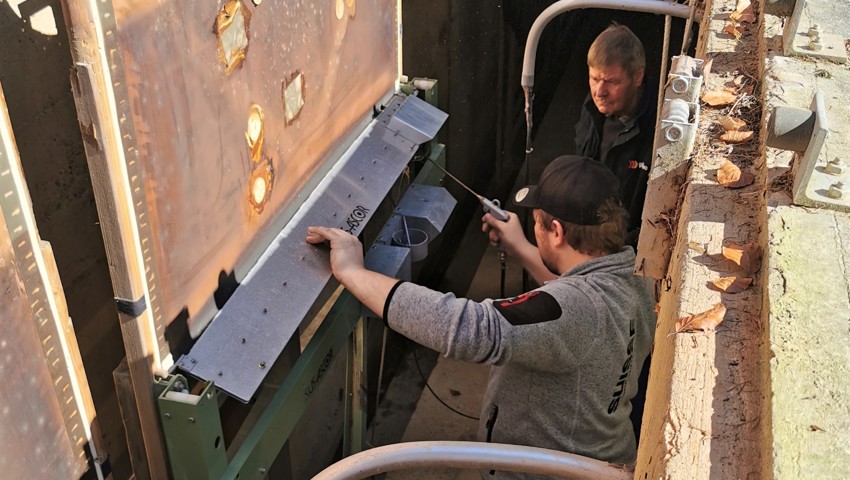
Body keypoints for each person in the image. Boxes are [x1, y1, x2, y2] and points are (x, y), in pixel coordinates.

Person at [307, 155, 656, 476]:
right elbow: (573, 294)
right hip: (605, 456)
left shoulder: (577, 313)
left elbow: (470, 329)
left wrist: (353, 271)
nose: (533, 228)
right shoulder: (637, 279)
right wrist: (519, 244)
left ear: (557, 232)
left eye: (537, 223)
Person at [575, 24, 657, 239]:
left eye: (612, 81)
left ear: (637, 76)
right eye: (594, 79)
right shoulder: (593, 108)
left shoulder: (659, 126)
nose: (599, 92)